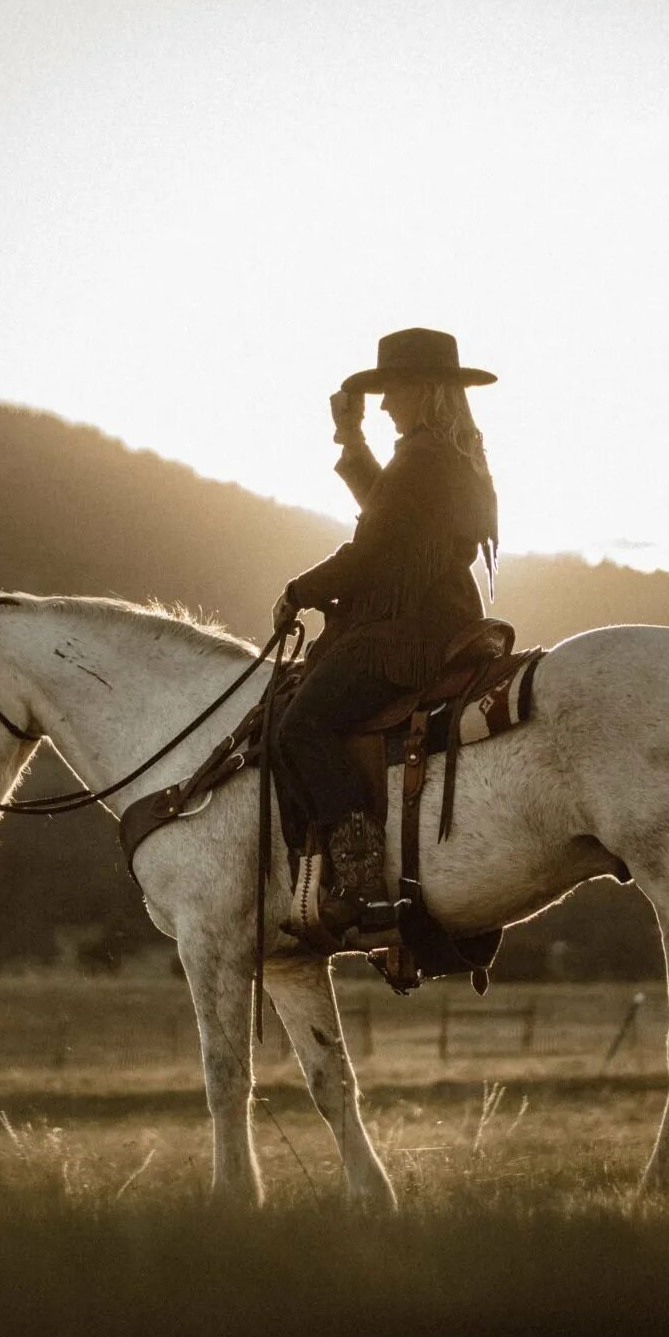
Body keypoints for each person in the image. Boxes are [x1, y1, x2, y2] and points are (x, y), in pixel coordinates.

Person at [271, 327, 500, 939]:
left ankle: (359, 866)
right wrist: (351, 438)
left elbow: (372, 550)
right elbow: (391, 515)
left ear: (422, 391)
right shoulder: (450, 452)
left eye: (393, 391)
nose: (386, 403)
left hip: (412, 627)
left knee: (303, 724)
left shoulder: (423, 456)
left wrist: (300, 590)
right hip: (443, 611)